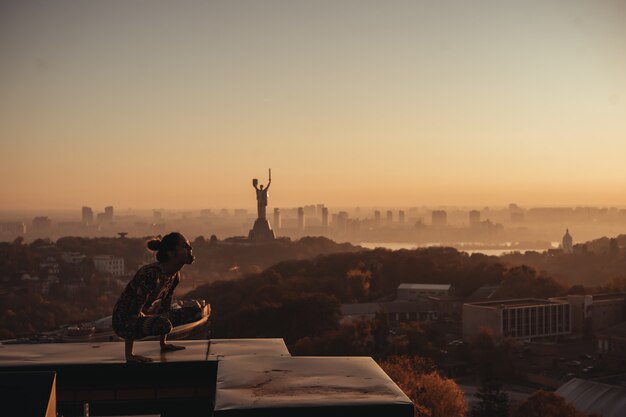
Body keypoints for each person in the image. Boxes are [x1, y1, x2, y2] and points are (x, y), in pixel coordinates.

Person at [112, 232, 195, 362]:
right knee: (164, 324)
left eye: (189, 246)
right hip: (124, 321)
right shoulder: (151, 275)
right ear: (171, 253)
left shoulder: (175, 276)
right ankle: (130, 352)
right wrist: (129, 355)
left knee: (193, 312)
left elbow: (165, 307)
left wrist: (163, 343)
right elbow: (133, 311)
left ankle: (162, 341)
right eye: (185, 246)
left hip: (144, 316)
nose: (190, 249)